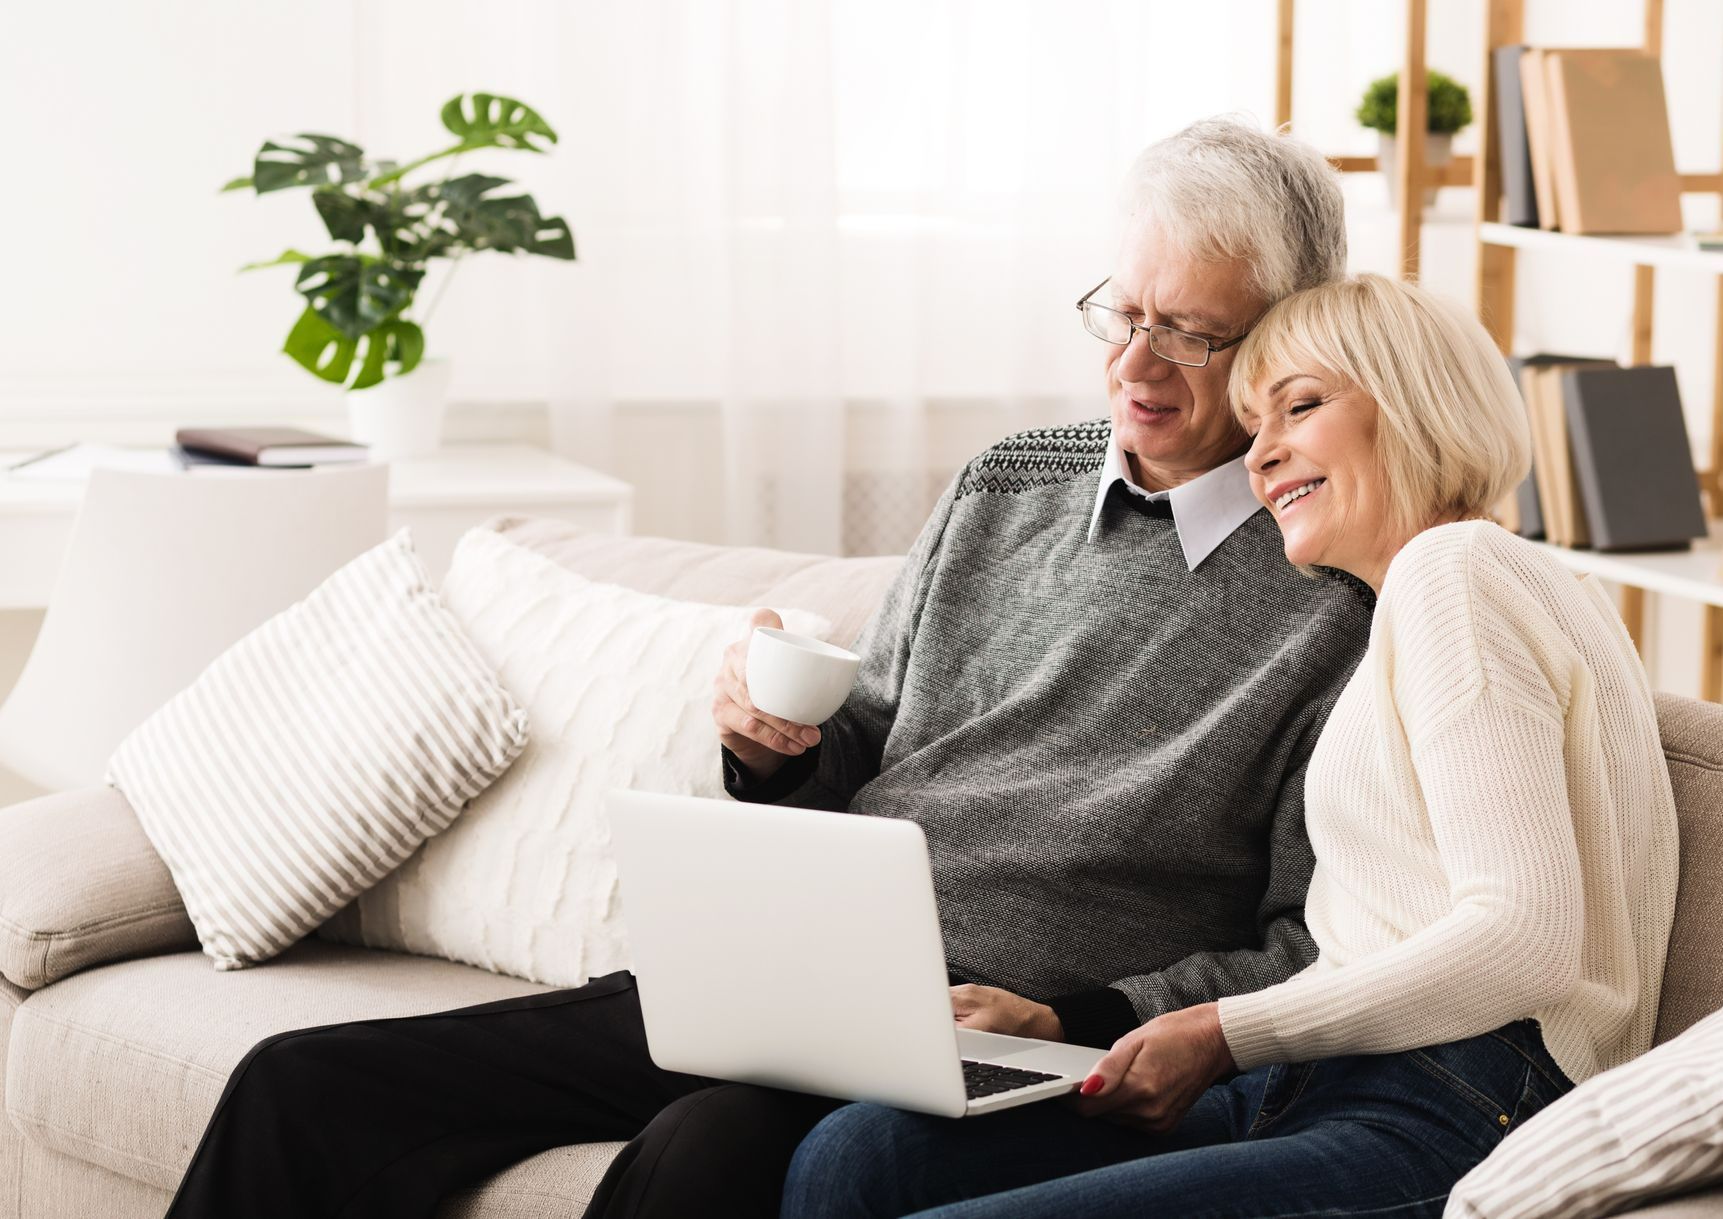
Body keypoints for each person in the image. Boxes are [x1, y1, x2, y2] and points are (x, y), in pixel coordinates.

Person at [162, 118, 1374, 1219]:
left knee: (702, 1155)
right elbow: (865, 741)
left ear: (1286, 340)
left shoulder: (1337, 585)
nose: (1135, 367)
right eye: (1122, 314)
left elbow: (1310, 941)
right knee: (302, 1084)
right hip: (801, 970)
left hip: (1006, 1028)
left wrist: (1079, 1019)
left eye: (1189, 334)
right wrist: (774, 750)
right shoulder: (1007, 482)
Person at [779, 272, 1682, 1219]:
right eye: (1255, 426)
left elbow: (1526, 940)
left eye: (1300, 406)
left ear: (1415, 401)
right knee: (862, 1154)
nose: (1261, 456)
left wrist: (1221, 1030)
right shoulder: (1439, 597)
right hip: (1331, 1073)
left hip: (1455, 1097)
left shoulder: (1453, 569)